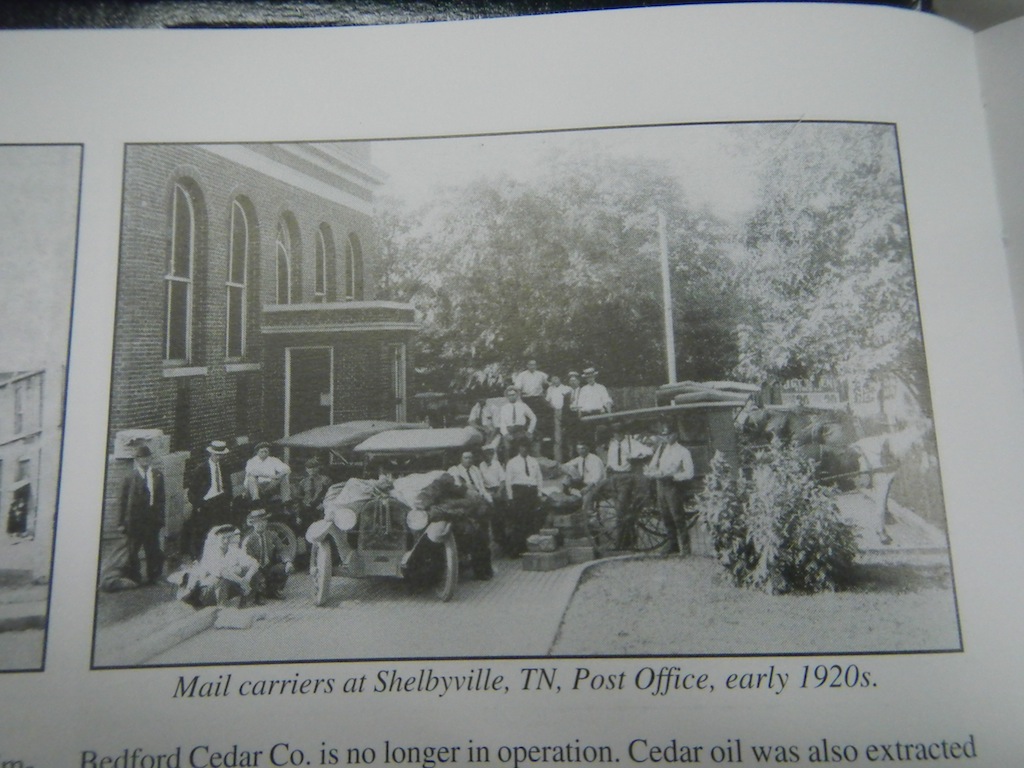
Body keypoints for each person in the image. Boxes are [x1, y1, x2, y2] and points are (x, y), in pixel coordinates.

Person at [415, 470, 493, 580]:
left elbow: (471, 506)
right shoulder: (451, 492)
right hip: (469, 520)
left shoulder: (465, 495)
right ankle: (483, 572)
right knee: (479, 543)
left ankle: (483, 572)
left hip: (474, 520)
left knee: (479, 542)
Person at [117, 444, 166, 585]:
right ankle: (134, 578)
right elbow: (122, 501)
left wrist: (160, 518)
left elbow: (161, 499)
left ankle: (154, 577)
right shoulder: (129, 477)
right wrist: (121, 523)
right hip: (135, 520)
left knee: (153, 549)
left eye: (147, 457)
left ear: (151, 458)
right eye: (141, 458)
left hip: (152, 519)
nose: (145, 460)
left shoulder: (157, 475)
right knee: (133, 550)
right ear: (137, 460)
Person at [643, 427, 695, 555]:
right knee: (665, 516)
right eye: (664, 435)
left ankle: (686, 548)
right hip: (660, 485)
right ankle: (673, 545)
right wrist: (650, 471)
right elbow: (653, 465)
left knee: (677, 517)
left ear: (676, 434)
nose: (666, 437)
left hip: (673, 486)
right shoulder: (661, 449)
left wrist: (674, 476)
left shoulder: (683, 451)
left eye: (669, 434)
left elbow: (689, 473)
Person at [181, 525, 260, 608]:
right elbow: (222, 572)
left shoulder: (234, 551)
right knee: (222, 578)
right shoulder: (210, 553)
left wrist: (247, 578)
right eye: (223, 538)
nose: (226, 541)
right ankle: (222, 606)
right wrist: (242, 582)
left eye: (229, 537)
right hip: (207, 592)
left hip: (226, 588)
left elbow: (254, 563)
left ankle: (248, 601)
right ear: (216, 538)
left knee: (249, 570)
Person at [603, 423, 653, 549]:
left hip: (626, 477)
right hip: (613, 477)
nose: (618, 435)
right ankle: (629, 540)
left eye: (620, 432)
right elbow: (610, 460)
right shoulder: (612, 444)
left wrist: (637, 456)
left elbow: (649, 451)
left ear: (623, 432)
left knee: (621, 512)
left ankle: (620, 543)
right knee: (620, 509)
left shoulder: (631, 443)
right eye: (615, 433)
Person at [185, 440, 233, 560]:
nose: (218, 457)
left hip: (221, 502)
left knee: (221, 531)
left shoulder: (225, 467)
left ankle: (218, 557)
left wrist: (228, 499)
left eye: (220, 455)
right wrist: (199, 505)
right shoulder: (201, 469)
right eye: (216, 455)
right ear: (211, 454)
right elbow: (191, 492)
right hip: (206, 504)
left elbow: (228, 486)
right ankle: (199, 558)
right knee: (203, 532)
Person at [242, 508, 294, 601]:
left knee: (283, 568)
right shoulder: (248, 540)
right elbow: (245, 559)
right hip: (255, 568)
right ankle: (258, 593)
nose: (260, 524)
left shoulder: (272, 535)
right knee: (256, 578)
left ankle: (274, 590)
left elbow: (282, 549)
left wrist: (288, 562)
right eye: (257, 522)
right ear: (253, 524)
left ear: (266, 522)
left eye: (263, 521)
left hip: (268, 566)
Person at [504, 438, 543, 556]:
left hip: (531, 492)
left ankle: (532, 547)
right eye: (522, 447)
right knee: (519, 521)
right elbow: (508, 481)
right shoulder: (512, 462)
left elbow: (539, 478)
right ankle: (518, 549)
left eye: (526, 447)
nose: (524, 449)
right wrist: (510, 497)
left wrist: (539, 494)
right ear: (518, 448)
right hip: (519, 493)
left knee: (532, 520)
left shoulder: (534, 461)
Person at [478, 444, 507, 552]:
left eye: (490, 454)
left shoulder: (497, 464)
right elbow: (480, 483)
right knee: (491, 518)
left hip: (498, 491)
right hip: (488, 492)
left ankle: (503, 542)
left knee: (501, 518)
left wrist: (499, 492)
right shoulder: (480, 466)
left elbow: (503, 480)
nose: (488, 456)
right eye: (486, 454)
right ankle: (494, 542)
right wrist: (488, 494)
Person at [513, 359, 549, 440]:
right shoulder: (522, 375)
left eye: (534, 365)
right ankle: (527, 433)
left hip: (538, 397)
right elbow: (517, 388)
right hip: (527, 398)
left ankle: (545, 434)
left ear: (536, 366)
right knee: (528, 415)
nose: (532, 367)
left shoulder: (541, 374)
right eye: (530, 365)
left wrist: (545, 392)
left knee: (548, 410)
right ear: (527, 365)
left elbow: (547, 383)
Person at [498, 386, 537, 457]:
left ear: (517, 395)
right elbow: (502, 423)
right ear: (507, 396)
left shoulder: (523, 405)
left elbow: (533, 417)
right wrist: (506, 434)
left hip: (520, 431)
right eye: (509, 395)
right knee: (507, 449)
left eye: (513, 395)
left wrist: (530, 431)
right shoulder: (504, 408)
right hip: (509, 431)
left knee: (523, 449)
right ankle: (508, 466)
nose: (511, 397)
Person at [296, 456, 332, 528]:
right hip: (306, 511)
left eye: (314, 468)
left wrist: (323, 504)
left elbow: (331, 495)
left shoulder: (325, 480)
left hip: (320, 510)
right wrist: (298, 516)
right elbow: (299, 499)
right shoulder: (303, 482)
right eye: (309, 468)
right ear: (306, 469)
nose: (311, 470)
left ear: (318, 468)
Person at [545, 374, 573, 461]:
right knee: (557, 438)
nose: (554, 381)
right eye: (552, 379)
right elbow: (547, 401)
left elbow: (572, 400)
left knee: (569, 437)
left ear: (560, 379)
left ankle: (571, 458)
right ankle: (558, 460)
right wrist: (552, 408)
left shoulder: (567, 388)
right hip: (555, 413)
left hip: (567, 413)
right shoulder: (550, 389)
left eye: (556, 378)